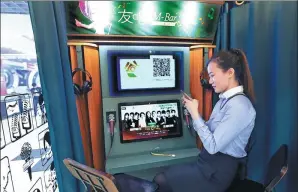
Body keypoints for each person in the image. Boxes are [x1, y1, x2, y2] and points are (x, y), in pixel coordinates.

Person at [153, 49, 256, 192]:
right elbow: (211, 131)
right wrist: (194, 112)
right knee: (164, 176)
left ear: (230, 73)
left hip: (218, 173)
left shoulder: (240, 106)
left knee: (161, 180)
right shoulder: (224, 101)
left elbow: (213, 146)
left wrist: (195, 114)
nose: (211, 81)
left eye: (213, 75)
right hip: (208, 165)